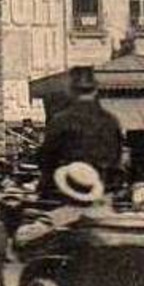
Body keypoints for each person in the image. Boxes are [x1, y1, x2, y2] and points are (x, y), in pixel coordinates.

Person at [37, 65, 123, 201]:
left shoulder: (60, 121)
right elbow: (117, 158)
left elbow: (47, 159)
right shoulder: (110, 121)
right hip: (103, 192)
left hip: (66, 191)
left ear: (70, 90)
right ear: (95, 90)